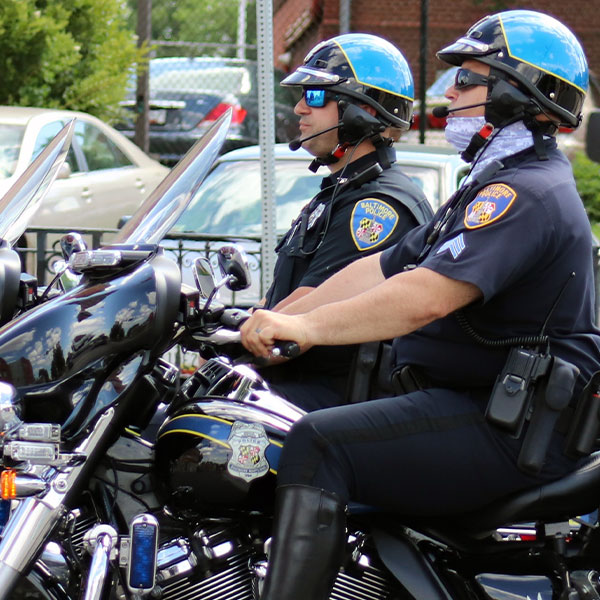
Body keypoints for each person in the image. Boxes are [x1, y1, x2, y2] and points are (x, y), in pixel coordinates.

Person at [240, 9, 600, 600]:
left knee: (317, 442)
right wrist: (275, 318)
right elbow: (379, 269)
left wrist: (305, 328)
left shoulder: (524, 192)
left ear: (516, 91)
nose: (448, 93)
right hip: (484, 408)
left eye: (467, 79)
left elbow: (421, 298)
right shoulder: (492, 185)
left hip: (511, 426)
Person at [255, 33, 433, 411]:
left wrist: (241, 343)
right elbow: (284, 297)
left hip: (329, 402)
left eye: (315, 96)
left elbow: (309, 308)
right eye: (301, 96)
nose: (301, 108)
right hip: (298, 388)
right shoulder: (343, 191)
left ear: (361, 111)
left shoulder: (379, 207)